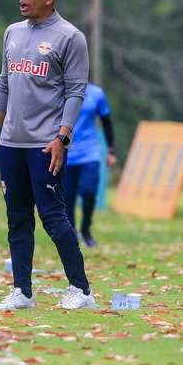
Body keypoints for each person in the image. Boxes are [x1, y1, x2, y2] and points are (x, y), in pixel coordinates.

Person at [0, 0, 95, 311]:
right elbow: (3, 84)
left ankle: (81, 290)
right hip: (11, 143)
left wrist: (63, 137)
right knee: (17, 219)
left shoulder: (70, 37)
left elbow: (76, 92)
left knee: (53, 217)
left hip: (45, 144)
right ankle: (22, 291)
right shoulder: (12, 32)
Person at [64, 83, 117, 248]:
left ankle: (86, 229)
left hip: (90, 152)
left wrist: (111, 150)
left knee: (89, 191)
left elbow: (107, 122)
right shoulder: (58, 90)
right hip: (66, 152)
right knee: (68, 197)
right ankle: (72, 234)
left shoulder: (96, 93)